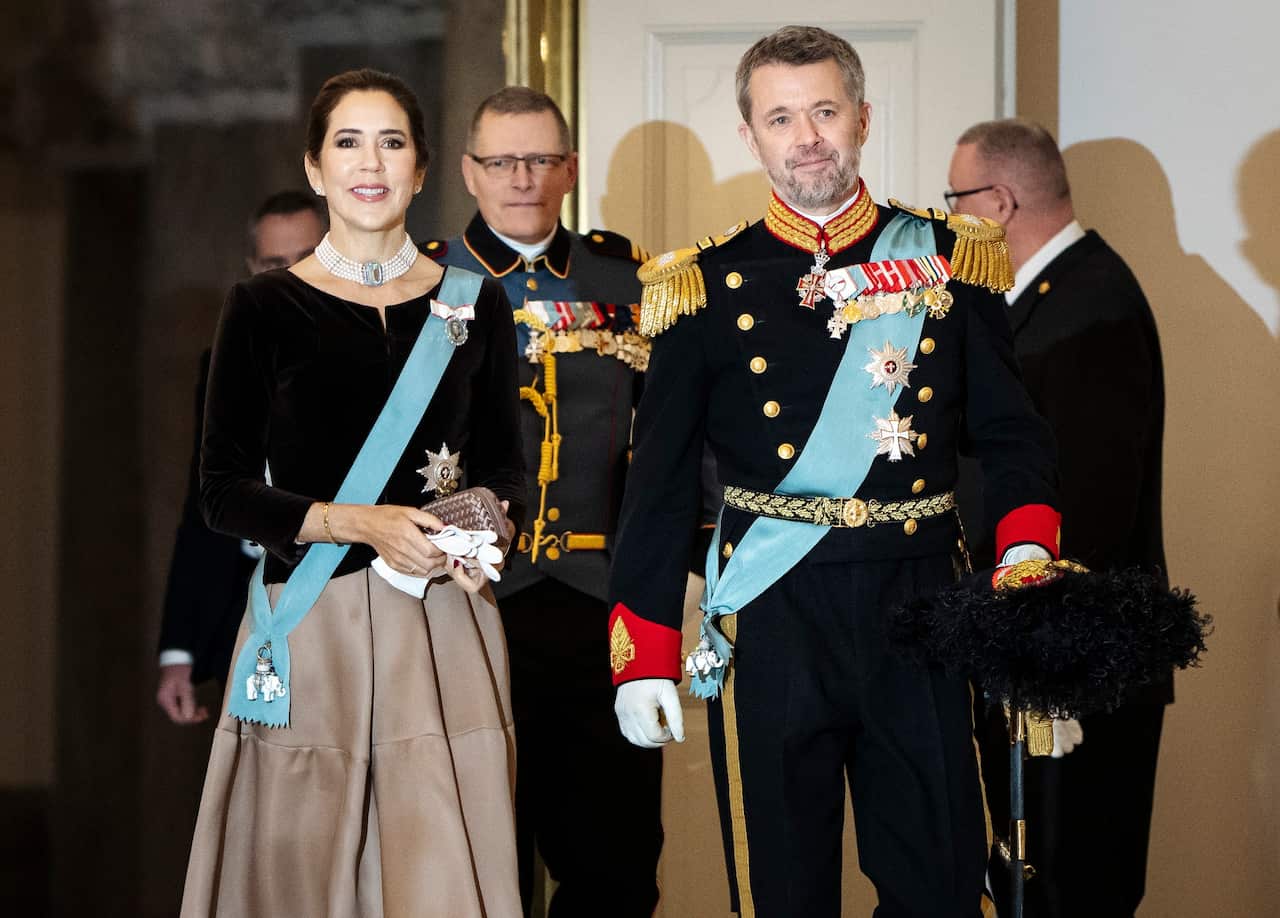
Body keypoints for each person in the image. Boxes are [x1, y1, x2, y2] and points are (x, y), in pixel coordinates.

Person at [607, 26, 1062, 917]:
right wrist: (642, 652)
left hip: (923, 603)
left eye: (824, 110)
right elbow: (656, 487)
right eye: (781, 118)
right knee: (783, 895)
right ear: (750, 136)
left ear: (861, 118)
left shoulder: (950, 257)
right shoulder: (704, 284)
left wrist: (1024, 556)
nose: (806, 136)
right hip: (772, 616)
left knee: (939, 889)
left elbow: (1014, 435)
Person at [180, 68, 524, 917]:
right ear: (315, 166)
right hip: (312, 622)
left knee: (438, 878)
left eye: (392, 142)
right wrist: (358, 523)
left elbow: (507, 471)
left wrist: (483, 531)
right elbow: (220, 492)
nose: (370, 163)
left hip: (441, 625)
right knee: (303, 880)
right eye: (348, 141)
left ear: (421, 167)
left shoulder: (476, 303)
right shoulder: (262, 306)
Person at [422, 86, 664, 917]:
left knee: (615, 867)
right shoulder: (423, 281)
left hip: (602, 606)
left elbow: (672, 441)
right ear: (469, 171)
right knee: (474, 866)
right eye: (501, 161)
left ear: (568, 168)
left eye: (539, 159)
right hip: (464, 604)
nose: (521, 178)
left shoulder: (628, 279)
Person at [948, 118, 1169, 918]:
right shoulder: (1047, 300)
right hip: (1037, 662)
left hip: (1072, 673)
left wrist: (1042, 665)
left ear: (999, 203)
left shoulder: (1089, 307)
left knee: (1070, 891)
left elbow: (1092, 507)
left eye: (956, 200)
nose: (950, 221)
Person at [156, 190, 325, 726]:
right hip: (245, 612)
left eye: (307, 258)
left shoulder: (379, 344)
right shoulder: (221, 362)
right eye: (275, 264)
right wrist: (178, 650)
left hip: (341, 601)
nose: (291, 276)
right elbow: (201, 507)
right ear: (253, 268)